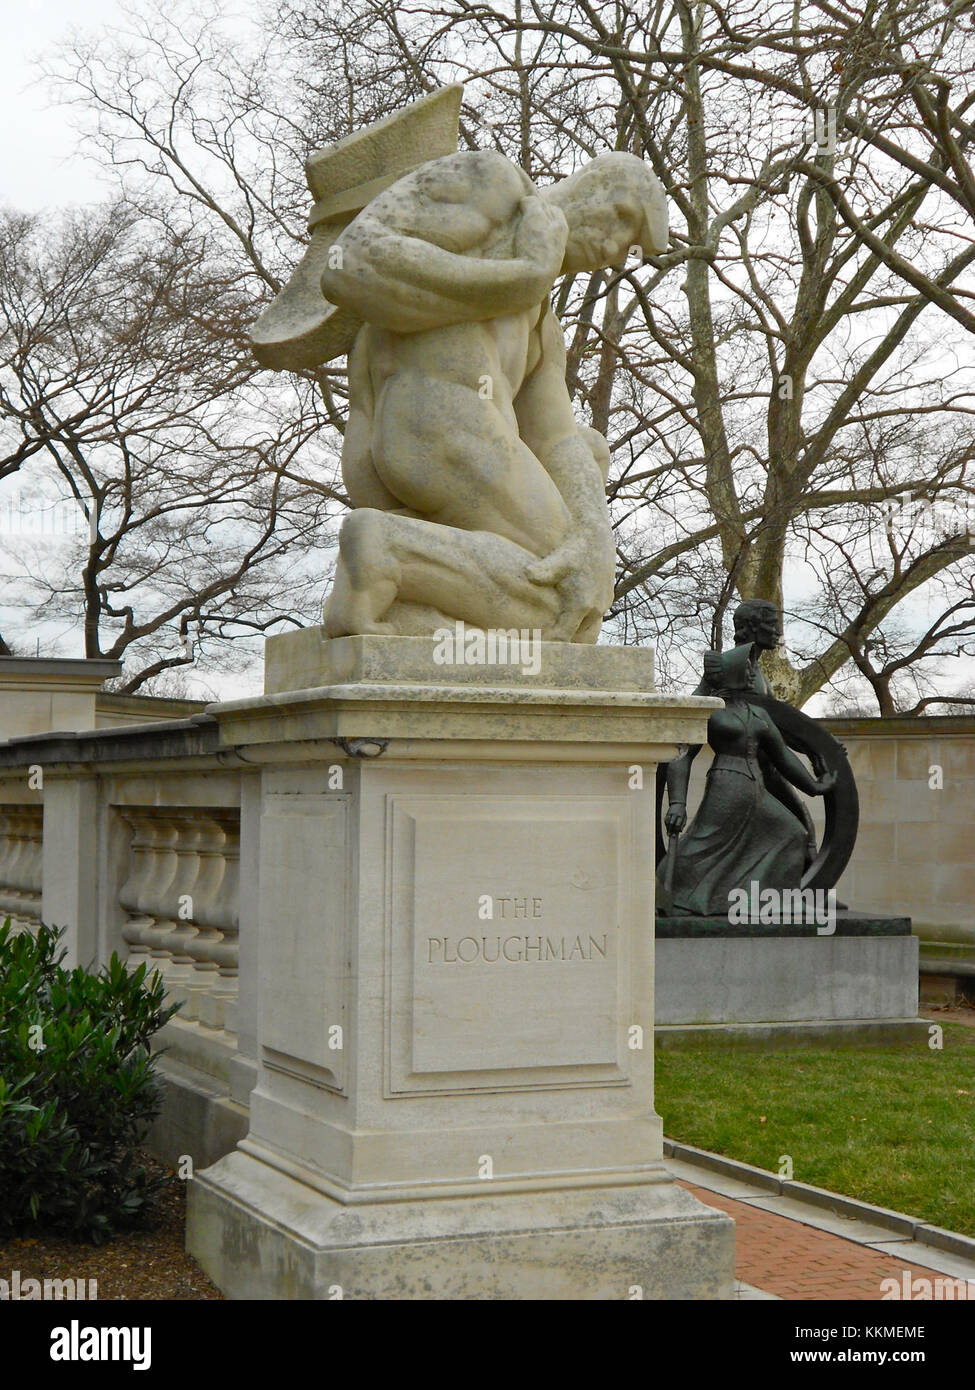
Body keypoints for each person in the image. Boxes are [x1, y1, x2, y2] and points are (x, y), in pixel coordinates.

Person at [315, 148, 667, 640]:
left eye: (631, 247)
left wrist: (594, 534)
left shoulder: (542, 325)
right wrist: (524, 276)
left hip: (439, 444)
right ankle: (388, 549)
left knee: (581, 589)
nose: (615, 250)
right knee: (565, 597)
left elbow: (556, 437)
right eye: (622, 221)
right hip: (434, 429)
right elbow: (350, 264)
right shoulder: (494, 183)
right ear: (591, 189)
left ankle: (409, 595)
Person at [660, 641, 836, 916]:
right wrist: (677, 804)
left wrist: (814, 786)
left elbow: (784, 757)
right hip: (726, 785)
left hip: (754, 787)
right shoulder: (711, 711)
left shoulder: (759, 714)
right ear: (732, 673)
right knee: (705, 844)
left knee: (792, 833)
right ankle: (677, 890)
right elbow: (682, 756)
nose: (753, 674)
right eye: (746, 668)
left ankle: (763, 899)